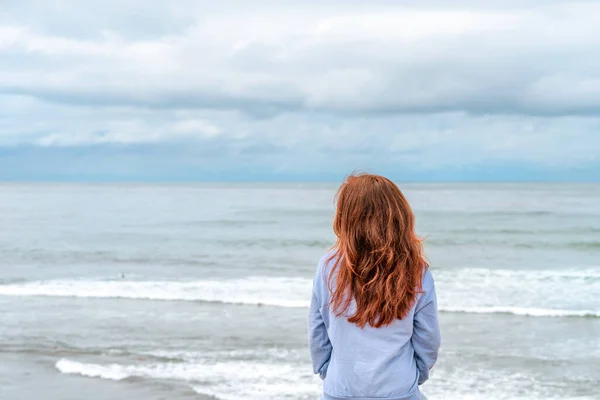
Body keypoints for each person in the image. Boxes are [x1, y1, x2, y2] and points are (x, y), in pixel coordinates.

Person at [308, 173, 441, 400]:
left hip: (341, 388)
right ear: (399, 216)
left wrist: (327, 371)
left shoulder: (328, 266)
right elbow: (428, 339)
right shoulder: (417, 270)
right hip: (398, 389)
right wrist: (412, 376)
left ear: (345, 218)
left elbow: (317, 331)